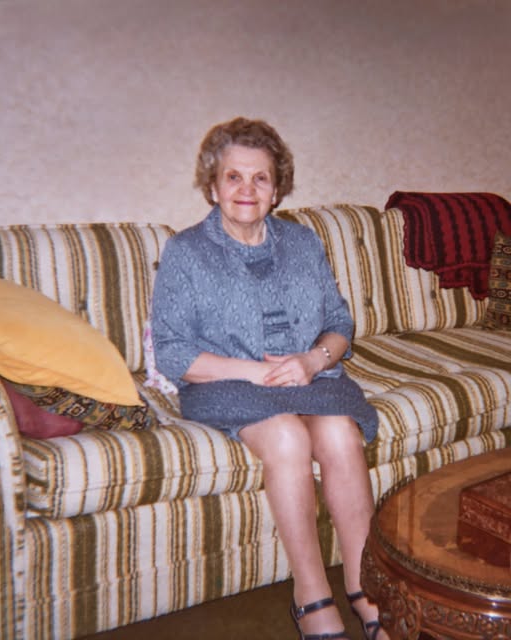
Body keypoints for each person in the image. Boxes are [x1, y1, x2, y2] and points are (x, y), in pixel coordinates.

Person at [151, 117, 387, 640]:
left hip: (308, 375)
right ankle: (311, 595)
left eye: (260, 178)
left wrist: (312, 361)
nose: (246, 189)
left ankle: (366, 588)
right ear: (212, 186)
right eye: (233, 177)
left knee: (341, 434)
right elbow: (173, 352)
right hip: (225, 382)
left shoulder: (304, 244)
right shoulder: (186, 253)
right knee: (285, 435)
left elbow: (340, 324)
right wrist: (259, 372)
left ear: (277, 189)